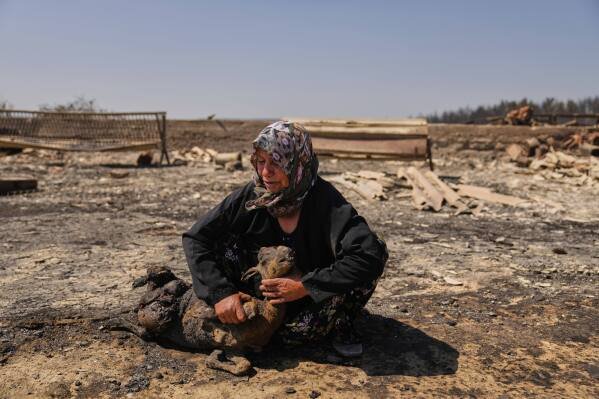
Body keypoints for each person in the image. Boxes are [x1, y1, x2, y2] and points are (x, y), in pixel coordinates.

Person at [182, 121, 388, 356]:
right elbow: (196, 237)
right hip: (260, 298)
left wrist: (305, 286)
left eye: (276, 162)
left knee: (372, 254)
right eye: (261, 161)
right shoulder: (254, 196)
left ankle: (340, 324)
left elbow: (369, 254)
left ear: (297, 165)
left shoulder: (325, 202)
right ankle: (243, 314)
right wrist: (221, 293)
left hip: (310, 302)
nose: (265, 172)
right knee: (222, 239)